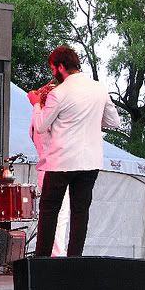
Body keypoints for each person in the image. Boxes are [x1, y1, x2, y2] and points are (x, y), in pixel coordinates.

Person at [28, 45, 120, 257]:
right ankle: (74, 261)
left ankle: (42, 261)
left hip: (62, 160)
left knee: (49, 210)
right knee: (80, 213)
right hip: (91, 161)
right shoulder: (99, 88)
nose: (53, 74)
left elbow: (41, 126)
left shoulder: (59, 93)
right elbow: (114, 121)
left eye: (53, 69)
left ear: (60, 67)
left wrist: (35, 104)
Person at [30, 81, 70, 256]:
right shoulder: (47, 120)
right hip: (55, 169)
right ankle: (57, 255)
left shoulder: (36, 117)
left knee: (51, 215)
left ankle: (52, 254)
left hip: (44, 169)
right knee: (60, 216)